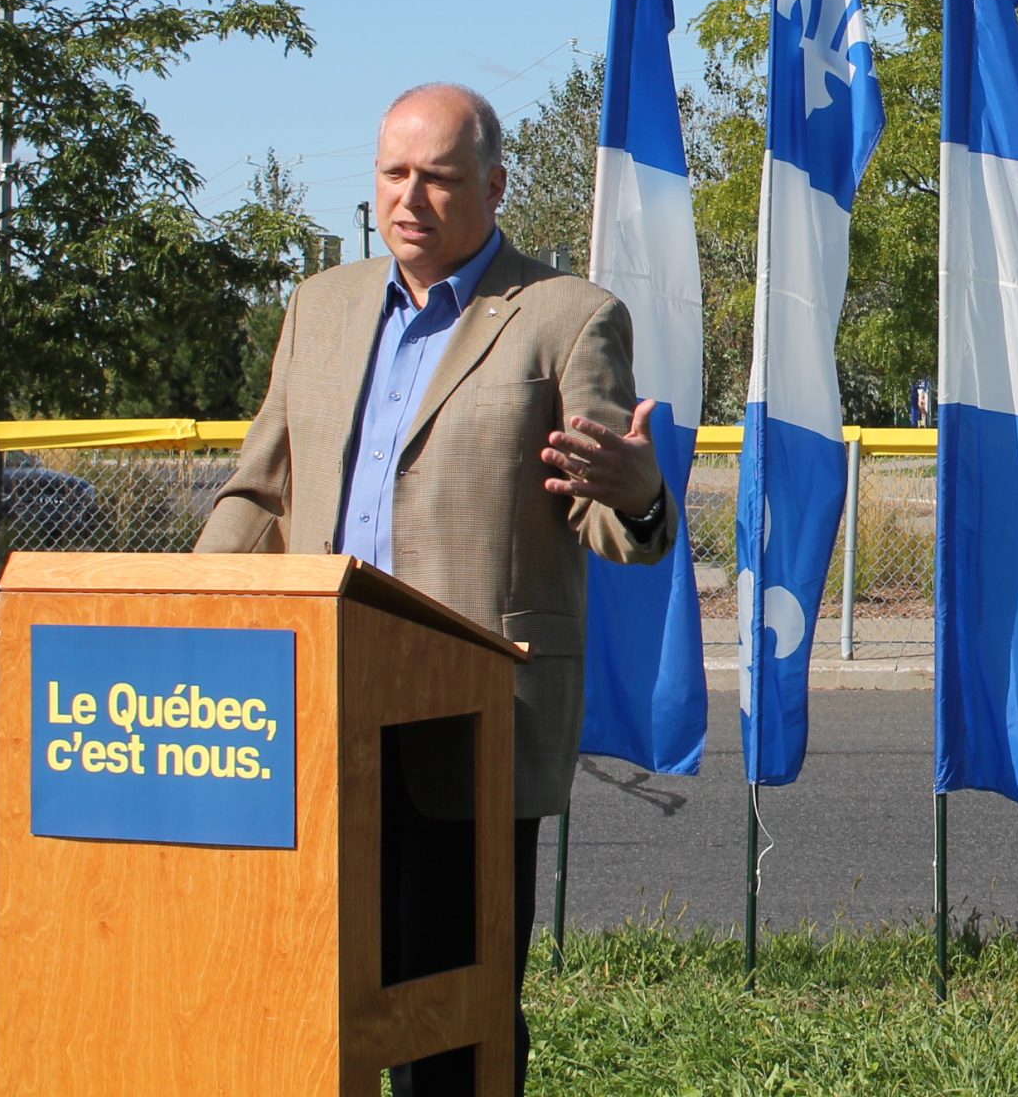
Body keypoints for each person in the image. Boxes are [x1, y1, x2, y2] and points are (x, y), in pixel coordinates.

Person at [197, 82, 673, 1096]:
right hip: (315, 714)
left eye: (440, 178)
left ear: (495, 187)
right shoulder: (318, 310)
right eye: (394, 174)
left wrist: (638, 498)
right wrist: (179, 615)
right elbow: (263, 488)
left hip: (473, 722)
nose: (410, 198)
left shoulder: (565, 318)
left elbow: (603, 516)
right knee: (317, 998)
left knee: (451, 1020)